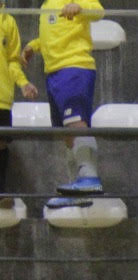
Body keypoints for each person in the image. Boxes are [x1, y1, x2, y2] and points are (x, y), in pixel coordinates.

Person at [21, 0, 104, 207]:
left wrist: (79, 7)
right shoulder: (46, 5)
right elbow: (52, 36)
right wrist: (34, 46)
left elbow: (98, 11)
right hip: (53, 73)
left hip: (74, 67)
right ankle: (76, 188)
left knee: (76, 122)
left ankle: (89, 177)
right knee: (66, 132)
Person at [0, 0, 39, 212]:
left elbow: (13, 61)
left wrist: (23, 83)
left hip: (1, 97)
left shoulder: (8, 22)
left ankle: (0, 193)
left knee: (1, 144)